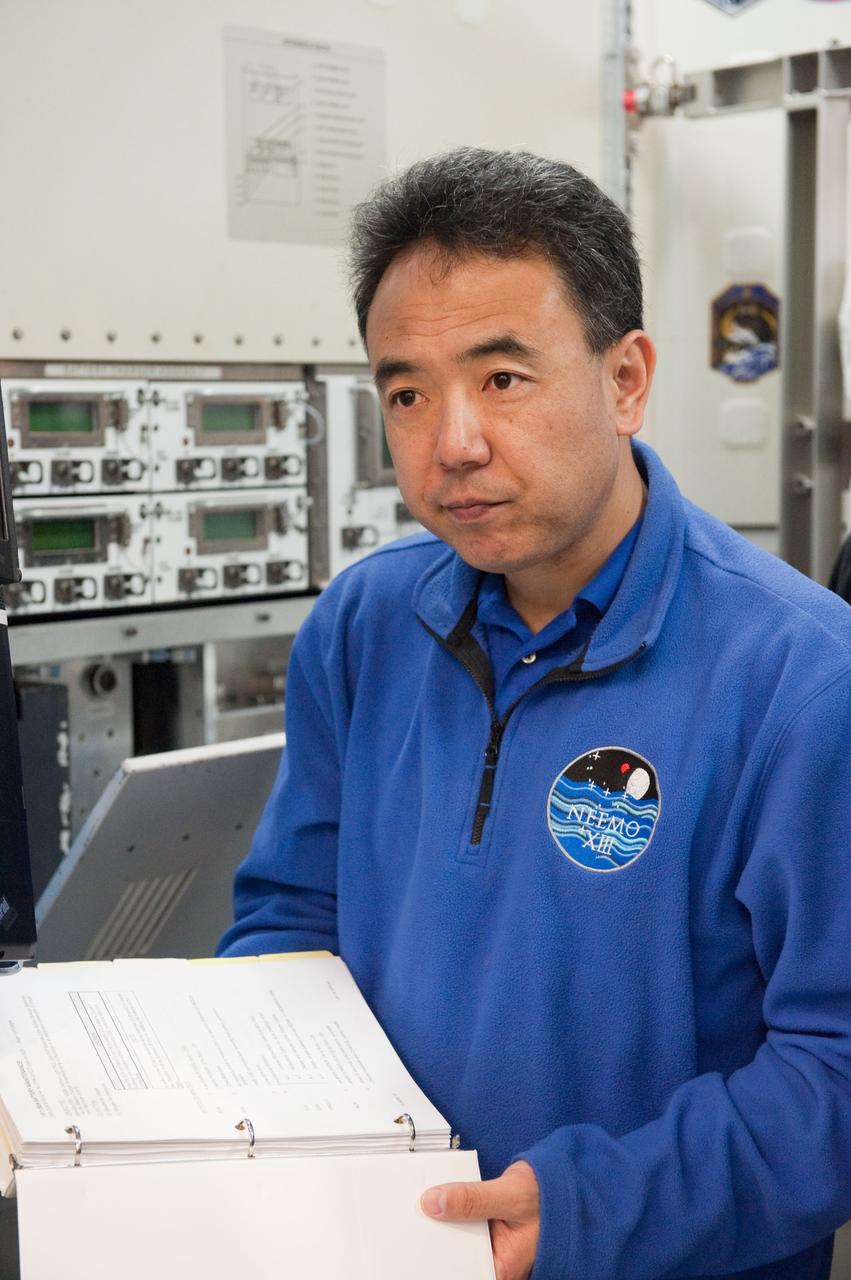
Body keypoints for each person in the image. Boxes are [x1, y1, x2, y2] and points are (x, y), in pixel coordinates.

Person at [218, 148, 851, 1280]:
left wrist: (593, 1209)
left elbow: (834, 1070)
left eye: (502, 378)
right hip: (381, 1244)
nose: (451, 442)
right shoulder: (364, 624)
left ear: (625, 379)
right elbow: (290, 916)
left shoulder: (800, 679)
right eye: (407, 393)